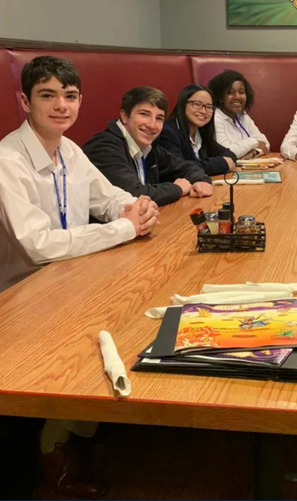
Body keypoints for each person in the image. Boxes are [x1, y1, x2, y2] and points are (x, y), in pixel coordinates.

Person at [0, 55, 159, 499]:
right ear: (25, 101)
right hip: (22, 296)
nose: (61, 106)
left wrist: (137, 207)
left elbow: (108, 199)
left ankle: (86, 428)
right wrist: (123, 228)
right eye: (47, 95)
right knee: (114, 327)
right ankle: (54, 442)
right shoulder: (7, 160)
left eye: (69, 96)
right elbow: (38, 245)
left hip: (70, 277)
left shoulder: (69, 150)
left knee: (143, 308)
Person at [83, 87, 213, 207]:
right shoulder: (104, 147)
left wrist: (200, 181)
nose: (152, 125)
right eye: (144, 114)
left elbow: (187, 166)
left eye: (159, 118)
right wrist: (177, 189)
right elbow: (133, 195)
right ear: (124, 116)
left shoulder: (149, 147)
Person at [154, 84, 237, 176]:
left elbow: (230, 155)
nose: (204, 111)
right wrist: (221, 163)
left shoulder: (201, 132)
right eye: (197, 104)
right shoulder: (168, 132)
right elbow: (179, 168)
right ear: (183, 104)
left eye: (209, 107)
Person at [208, 69, 269, 159]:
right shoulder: (214, 117)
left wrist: (254, 152)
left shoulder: (243, 115)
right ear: (220, 97)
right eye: (231, 92)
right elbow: (226, 153)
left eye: (241, 92)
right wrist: (254, 142)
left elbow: (265, 144)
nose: (237, 96)